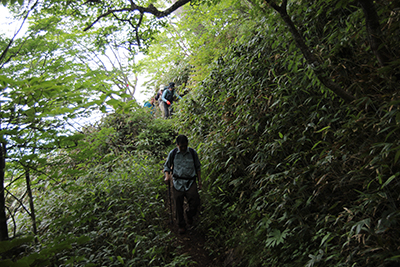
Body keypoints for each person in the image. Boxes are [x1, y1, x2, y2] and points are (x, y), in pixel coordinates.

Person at [164, 135, 202, 234]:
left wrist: (200, 180)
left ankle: (189, 214)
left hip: (190, 181)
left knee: (195, 202)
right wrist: (167, 176)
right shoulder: (173, 153)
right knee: (178, 204)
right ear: (177, 145)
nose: (184, 148)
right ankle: (181, 225)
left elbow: (198, 167)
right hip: (177, 182)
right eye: (181, 146)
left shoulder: (193, 153)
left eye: (185, 146)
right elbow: (167, 167)